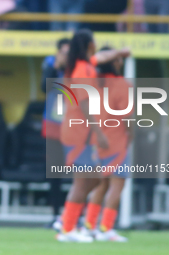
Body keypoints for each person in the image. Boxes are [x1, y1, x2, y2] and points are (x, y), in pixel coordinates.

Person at [55, 29, 130, 242]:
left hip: (78, 132)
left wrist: (121, 52)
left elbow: (103, 57)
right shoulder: (84, 70)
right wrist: (98, 132)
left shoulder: (83, 65)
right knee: (83, 183)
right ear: (89, 45)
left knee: (95, 179)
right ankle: (67, 228)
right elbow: (85, 103)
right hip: (80, 133)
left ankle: (67, 222)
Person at [83, 46, 133, 242]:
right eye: (118, 59)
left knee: (100, 185)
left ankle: (89, 225)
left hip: (97, 141)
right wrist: (131, 135)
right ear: (113, 62)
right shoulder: (123, 85)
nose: (121, 62)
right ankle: (106, 228)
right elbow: (128, 117)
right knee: (117, 185)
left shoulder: (94, 83)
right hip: (116, 141)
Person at [41, 38, 70, 226]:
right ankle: (55, 215)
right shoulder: (50, 63)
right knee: (55, 172)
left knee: (81, 172)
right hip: (53, 125)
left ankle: (74, 216)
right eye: (64, 53)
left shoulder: (78, 67)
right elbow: (44, 87)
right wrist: (57, 66)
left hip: (74, 126)